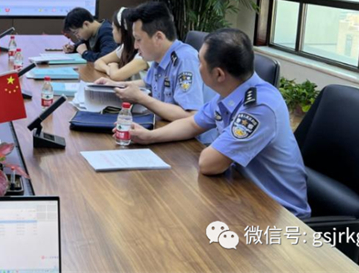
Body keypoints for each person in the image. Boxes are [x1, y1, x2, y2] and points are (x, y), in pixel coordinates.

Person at [115, 28, 311, 218]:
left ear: (218, 74)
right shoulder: (231, 91)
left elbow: (209, 164)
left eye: (200, 62)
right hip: (242, 193)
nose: (196, 66)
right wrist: (149, 137)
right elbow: (192, 124)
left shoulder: (260, 107)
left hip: (280, 214)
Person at [96, 2, 203, 121]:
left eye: (138, 39)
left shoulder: (185, 59)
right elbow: (147, 83)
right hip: (161, 124)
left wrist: (142, 98)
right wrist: (114, 85)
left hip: (180, 132)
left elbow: (191, 116)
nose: (135, 46)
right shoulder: (159, 58)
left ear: (158, 37)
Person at [94, 7, 148, 81]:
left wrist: (113, 65)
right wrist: (108, 69)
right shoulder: (124, 47)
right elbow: (98, 62)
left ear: (121, 30)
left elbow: (116, 76)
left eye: (113, 28)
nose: (112, 32)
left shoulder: (143, 54)